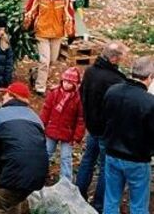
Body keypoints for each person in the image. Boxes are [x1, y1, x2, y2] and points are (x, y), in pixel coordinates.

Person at [75, 41, 128, 213]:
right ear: (114, 59)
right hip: (106, 131)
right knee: (106, 168)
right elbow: (117, 109)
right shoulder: (116, 80)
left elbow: (82, 94)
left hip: (93, 127)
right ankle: (98, 204)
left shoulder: (90, 71)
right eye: (122, 57)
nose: (123, 60)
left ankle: (78, 195)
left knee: (88, 161)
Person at [0, 81, 49, 213]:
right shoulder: (36, 118)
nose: (3, 97)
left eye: (5, 94)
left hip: (16, 171)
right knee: (15, 199)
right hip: (39, 173)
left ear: (12, 97)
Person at [102, 56, 154, 214]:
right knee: (138, 204)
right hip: (137, 160)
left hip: (112, 153)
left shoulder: (112, 91)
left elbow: (105, 118)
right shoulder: (149, 102)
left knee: (111, 200)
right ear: (150, 76)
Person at [23, 0, 74, 95]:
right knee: (44, 61)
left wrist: (71, 33)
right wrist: (26, 28)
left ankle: (35, 73)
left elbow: (69, 15)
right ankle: (40, 87)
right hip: (42, 32)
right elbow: (30, 11)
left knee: (52, 61)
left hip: (57, 33)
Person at [39, 67, 84, 182]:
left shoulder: (78, 99)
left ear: (75, 84)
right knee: (46, 153)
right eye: (65, 81)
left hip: (68, 133)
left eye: (70, 82)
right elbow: (46, 110)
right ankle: (39, 173)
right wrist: (41, 124)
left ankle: (66, 180)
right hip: (52, 129)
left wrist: (77, 136)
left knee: (66, 157)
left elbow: (80, 119)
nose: (66, 84)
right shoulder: (54, 94)